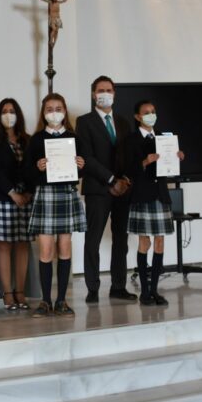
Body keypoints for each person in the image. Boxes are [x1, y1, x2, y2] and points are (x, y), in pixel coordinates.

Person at [25, 93, 86, 318]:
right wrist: (37, 167)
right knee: (46, 250)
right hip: (46, 195)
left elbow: (80, 170)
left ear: (64, 110)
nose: (54, 112)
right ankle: (45, 301)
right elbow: (26, 173)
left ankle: (61, 300)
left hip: (67, 194)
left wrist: (81, 165)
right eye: (49, 108)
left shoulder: (73, 137)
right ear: (43, 113)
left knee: (64, 248)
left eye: (58, 108)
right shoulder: (36, 139)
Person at [76, 76, 135, 304]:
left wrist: (125, 180)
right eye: (100, 90)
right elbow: (87, 157)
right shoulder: (84, 121)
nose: (105, 93)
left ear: (114, 93)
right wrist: (111, 180)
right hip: (98, 189)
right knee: (93, 239)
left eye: (109, 90)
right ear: (93, 94)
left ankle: (118, 286)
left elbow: (131, 154)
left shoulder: (123, 121)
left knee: (121, 240)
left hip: (123, 190)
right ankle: (93, 288)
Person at [125, 100, 185, 306]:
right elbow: (126, 169)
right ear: (137, 117)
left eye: (153, 112)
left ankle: (154, 290)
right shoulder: (131, 140)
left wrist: (177, 158)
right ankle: (144, 292)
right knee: (145, 242)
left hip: (161, 195)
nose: (151, 115)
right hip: (142, 196)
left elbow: (171, 168)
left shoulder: (164, 138)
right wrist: (144, 161)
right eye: (146, 112)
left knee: (160, 242)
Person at [0, 98, 33, 311]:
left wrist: (28, 192)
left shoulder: (28, 139)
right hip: (3, 197)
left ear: (18, 114)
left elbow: (34, 169)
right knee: (4, 245)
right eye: (4, 111)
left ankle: (20, 291)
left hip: (27, 198)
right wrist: (13, 193)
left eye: (12, 110)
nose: (8, 114)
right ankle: (7, 293)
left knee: (23, 244)